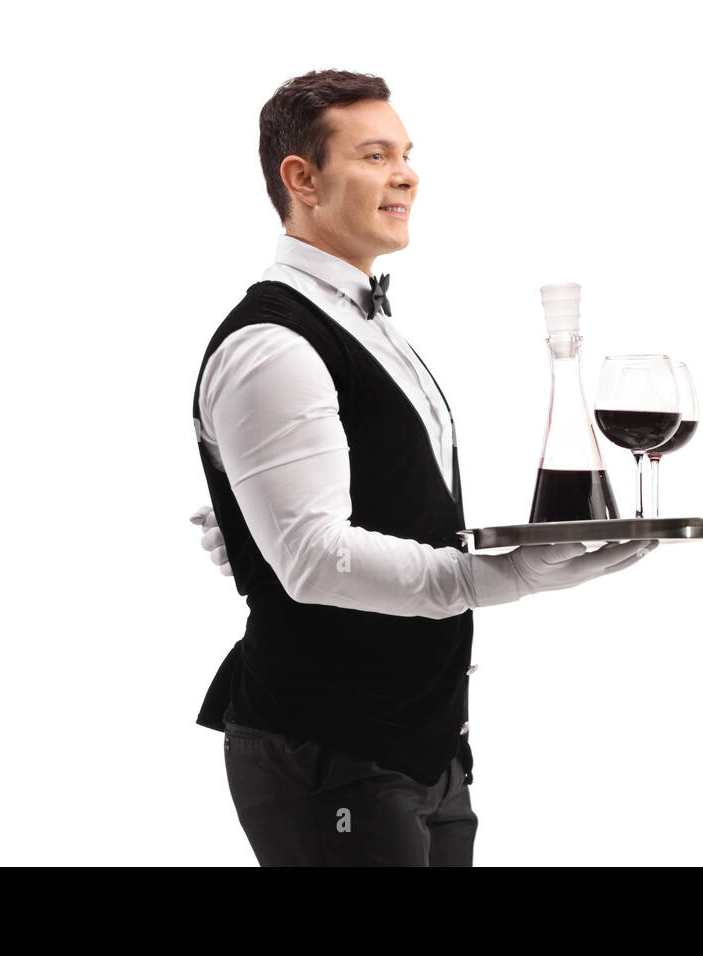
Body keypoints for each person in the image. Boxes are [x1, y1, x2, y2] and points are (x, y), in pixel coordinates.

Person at [189, 68, 658, 867]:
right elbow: (313, 562)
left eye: (405, 153)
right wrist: (508, 577)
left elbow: (355, 504)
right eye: (374, 155)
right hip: (328, 745)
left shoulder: (366, 322)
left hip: (429, 743)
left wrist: (243, 527)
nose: (406, 173)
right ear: (300, 179)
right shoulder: (273, 341)